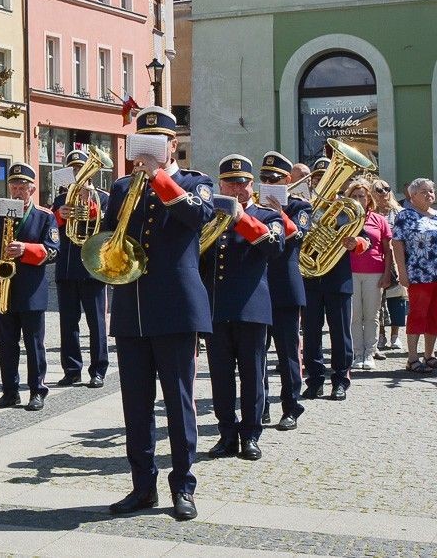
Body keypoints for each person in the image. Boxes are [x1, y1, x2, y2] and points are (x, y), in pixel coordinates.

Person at [106, 107, 212, 522]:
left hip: (176, 308)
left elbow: (198, 218)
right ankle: (142, 486)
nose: (148, 153)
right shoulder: (120, 187)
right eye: (142, 144)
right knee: (135, 403)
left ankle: (183, 486)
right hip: (132, 307)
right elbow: (114, 237)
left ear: (173, 145)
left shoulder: (193, 182)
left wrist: (159, 178)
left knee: (179, 401)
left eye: (158, 144)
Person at [201, 155, 282, 462]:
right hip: (216, 306)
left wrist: (241, 218)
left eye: (243, 183)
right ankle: (226, 434)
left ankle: (250, 434)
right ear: (220, 183)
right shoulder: (209, 215)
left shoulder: (266, 214)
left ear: (252, 185)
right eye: (230, 182)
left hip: (252, 307)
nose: (237, 188)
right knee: (221, 377)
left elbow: (274, 247)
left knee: (252, 375)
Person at [0, 162, 58, 413]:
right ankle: (10, 391)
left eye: (22, 187)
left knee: (34, 344)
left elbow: (53, 251)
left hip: (31, 290)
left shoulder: (45, 216)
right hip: (5, 288)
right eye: (13, 186)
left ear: (32, 189)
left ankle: (37, 390)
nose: (17, 191)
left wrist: (25, 249)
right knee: (6, 344)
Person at [301, 165, 368, 402]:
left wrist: (356, 242)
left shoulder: (347, 209)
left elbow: (366, 238)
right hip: (309, 278)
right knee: (310, 333)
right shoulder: (305, 206)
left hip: (338, 279)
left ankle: (340, 380)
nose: (322, 183)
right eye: (318, 178)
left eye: (326, 178)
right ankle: (314, 380)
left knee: (340, 334)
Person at [258, 151, 311, 431]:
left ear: (288, 180)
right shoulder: (255, 206)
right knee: (257, 354)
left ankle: (291, 406)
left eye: (274, 178)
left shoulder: (300, 206)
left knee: (288, 353)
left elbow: (297, 236)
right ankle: (260, 406)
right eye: (264, 178)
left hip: (286, 288)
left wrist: (278, 212)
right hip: (259, 288)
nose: (268, 182)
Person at [52, 149, 110, 388]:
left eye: (81, 169)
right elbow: (53, 233)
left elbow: (108, 229)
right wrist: (60, 214)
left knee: (96, 323)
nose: (78, 173)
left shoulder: (104, 198)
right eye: (74, 169)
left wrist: (92, 209)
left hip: (92, 268)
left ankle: (98, 370)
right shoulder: (59, 199)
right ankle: (72, 369)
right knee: (68, 323)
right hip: (66, 268)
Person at [345, 179, 394, 370]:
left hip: (375, 271)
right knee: (354, 315)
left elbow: (387, 250)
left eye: (361, 196)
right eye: (354, 196)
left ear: (368, 199)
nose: (358, 199)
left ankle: (370, 353)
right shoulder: (343, 217)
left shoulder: (379, 219)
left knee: (372, 315)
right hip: (349, 271)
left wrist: (387, 274)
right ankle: (358, 353)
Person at [391, 178, 437, 374]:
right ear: (413, 196)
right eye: (424, 192)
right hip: (418, 274)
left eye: (431, 191)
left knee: (434, 316)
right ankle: (412, 358)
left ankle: (429, 355)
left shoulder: (436, 215)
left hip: (436, 274)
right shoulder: (405, 216)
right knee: (418, 315)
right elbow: (397, 244)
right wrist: (402, 272)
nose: (429, 194)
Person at [372, 179, 405, 351]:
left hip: (396, 260)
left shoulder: (399, 212)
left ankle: (395, 335)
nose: (383, 192)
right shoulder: (369, 213)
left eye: (387, 189)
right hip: (377, 260)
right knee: (378, 300)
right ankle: (381, 335)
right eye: (379, 189)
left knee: (397, 299)